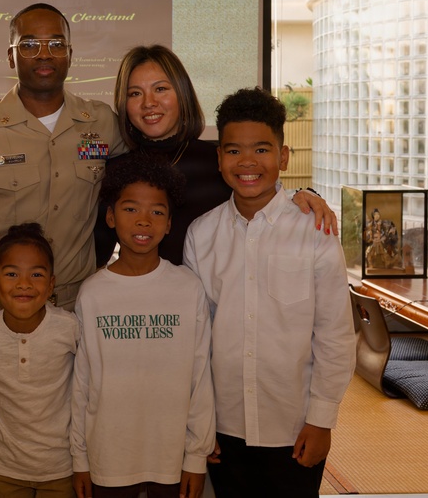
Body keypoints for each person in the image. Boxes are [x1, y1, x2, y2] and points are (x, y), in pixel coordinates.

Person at [0, 2, 125, 497]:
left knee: (86, 440)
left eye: (56, 43)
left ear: (71, 53)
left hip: (78, 312)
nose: (44, 54)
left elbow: (148, 190)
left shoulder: (102, 124)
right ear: (10, 55)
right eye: (30, 44)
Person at [183, 87, 355, 498]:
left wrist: (322, 420)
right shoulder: (201, 234)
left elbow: (334, 334)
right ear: (219, 157)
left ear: (283, 156)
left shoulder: (316, 230)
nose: (247, 162)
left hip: (293, 426)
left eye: (261, 149)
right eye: (233, 150)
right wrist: (200, 424)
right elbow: (195, 343)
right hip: (223, 428)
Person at [95, 44, 336, 268]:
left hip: (218, 303)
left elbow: (265, 199)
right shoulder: (116, 170)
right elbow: (98, 254)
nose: (149, 102)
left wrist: (302, 195)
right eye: (135, 93)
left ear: (182, 93)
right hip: (147, 305)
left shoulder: (218, 161)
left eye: (160, 89)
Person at [71, 150, 213, 498]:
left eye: (157, 212)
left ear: (168, 224)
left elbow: (200, 376)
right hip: (107, 456)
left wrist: (196, 456)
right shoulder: (92, 293)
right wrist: (80, 458)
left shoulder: (188, 287)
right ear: (110, 216)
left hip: (171, 457)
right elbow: (81, 382)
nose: (143, 220)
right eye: (130, 208)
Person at [0, 223, 80, 498]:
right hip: (5, 470)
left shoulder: (70, 329)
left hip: (62, 469)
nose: (24, 284)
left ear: (51, 285)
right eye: (12, 274)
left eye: (36, 274)